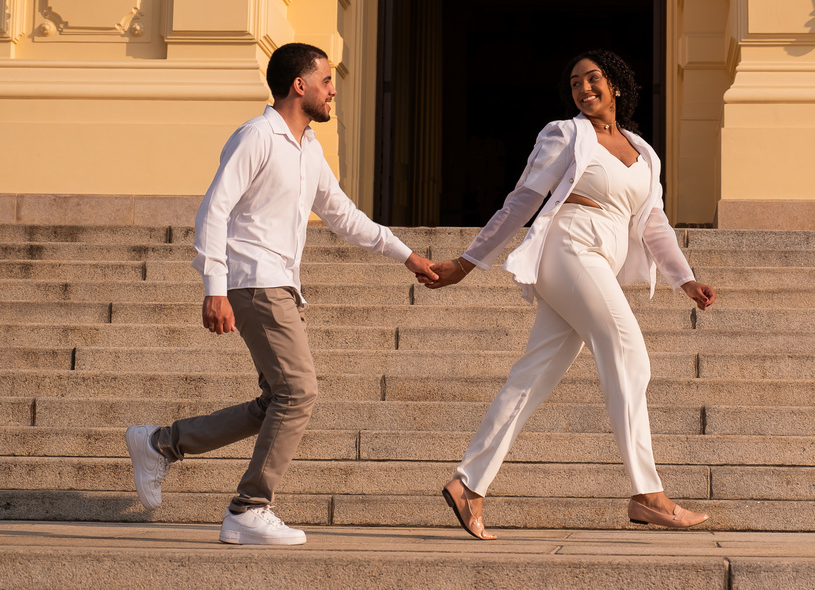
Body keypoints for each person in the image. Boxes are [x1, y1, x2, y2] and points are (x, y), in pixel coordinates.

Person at [124, 42, 438, 546]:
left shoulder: (308, 147)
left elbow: (344, 217)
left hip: (282, 286)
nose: (334, 89)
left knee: (277, 399)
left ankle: (162, 443)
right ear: (300, 85)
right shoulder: (256, 136)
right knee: (299, 392)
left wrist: (407, 255)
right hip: (254, 280)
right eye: (327, 80)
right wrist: (215, 287)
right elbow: (214, 211)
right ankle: (249, 507)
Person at [427, 49, 717, 540]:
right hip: (568, 245)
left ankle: (468, 483)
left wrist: (684, 278)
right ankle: (648, 494)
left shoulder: (644, 153)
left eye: (594, 79)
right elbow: (522, 199)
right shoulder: (565, 134)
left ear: (617, 86)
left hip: (599, 259)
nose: (584, 89)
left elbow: (652, 222)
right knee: (629, 353)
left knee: (532, 376)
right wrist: (467, 262)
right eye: (576, 83)